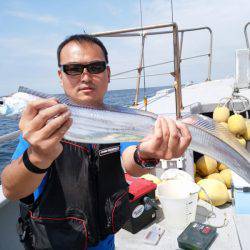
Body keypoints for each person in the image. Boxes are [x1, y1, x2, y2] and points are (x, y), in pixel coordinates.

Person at [1, 34, 191, 250]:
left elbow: (131, 161)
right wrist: (38, 156)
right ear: (60, 76)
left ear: (108, 74)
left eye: (95, 67)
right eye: (73, 68)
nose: (85, 76)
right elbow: (11, 189)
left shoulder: (119, 122)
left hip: (106, 243)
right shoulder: (42, 126)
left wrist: (145, 154)